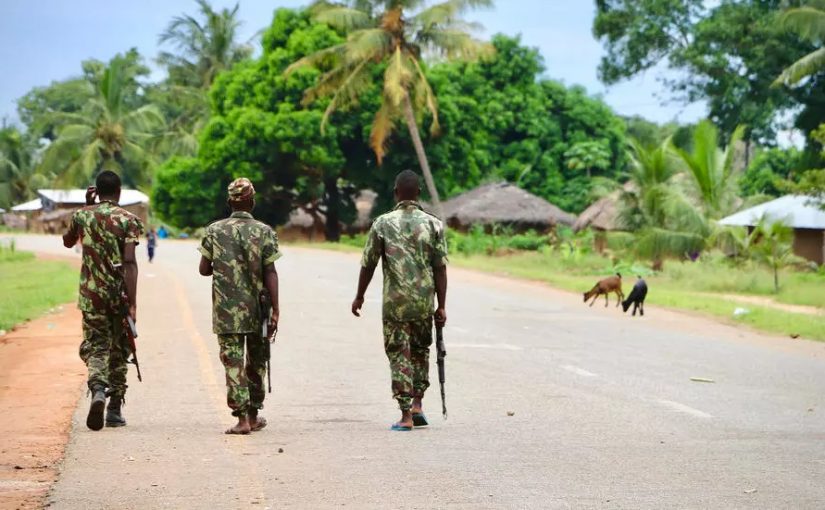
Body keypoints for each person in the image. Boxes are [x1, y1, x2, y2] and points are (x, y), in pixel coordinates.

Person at [352, 170, 448, 431]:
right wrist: (441, 305)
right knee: (420, 351)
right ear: (419, 193)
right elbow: (440, 268)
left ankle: (405, 416)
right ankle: (417, 405)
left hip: (395, 305)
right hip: (423, 304)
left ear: (396, 193)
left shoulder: (382, 224)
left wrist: (359, 296)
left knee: (399, 354)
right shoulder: (433, 224)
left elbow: (368, 264)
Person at [62, 170, 143, 431]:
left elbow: (67, 242)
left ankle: (98, 389)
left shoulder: (82, 215)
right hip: (118, 297)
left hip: (91, 297)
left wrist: (86, 206)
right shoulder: (128, 220)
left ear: (96, 191)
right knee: (120, 349)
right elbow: (129, 262)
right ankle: (114, 410)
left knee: (97, 346)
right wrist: (132, 303)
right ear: (119, 192)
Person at [198, 178, 281, 435]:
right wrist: (276, 309)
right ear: (252, 202)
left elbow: (203, 269)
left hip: (226, 310)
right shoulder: (264, 231)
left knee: (233, 361)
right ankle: (254, 415)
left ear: (229, 202)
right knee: (257, 361)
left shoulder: (214, 230)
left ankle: (242, 419)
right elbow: (270, 271)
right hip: (258, 308)